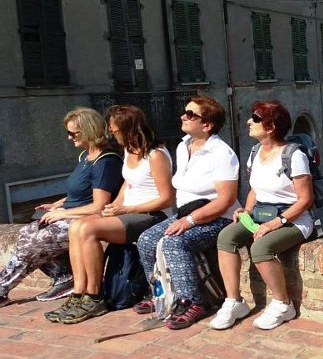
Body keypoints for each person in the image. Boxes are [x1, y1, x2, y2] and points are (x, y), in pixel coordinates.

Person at [47, 106, 174, 324]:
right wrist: (114, 206)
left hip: (153, 216)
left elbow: (167, 199)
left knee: (88, 229)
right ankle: (79, 293)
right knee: (77, 227)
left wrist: (126, 210)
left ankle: (95, 296)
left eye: (114, 130)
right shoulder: (129, 151)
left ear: (128, 129)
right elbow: (128, 184)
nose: (111, 133)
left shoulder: (155, 155)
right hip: (128, 213)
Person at [0, 108, 123, 309]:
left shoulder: (105, 162)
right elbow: (81, 192)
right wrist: (58, 204)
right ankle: (63, 276)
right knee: (25, 233)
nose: (69, 138)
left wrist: (63, 213)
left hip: (87, 219)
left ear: (89, 131)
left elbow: (99, 205)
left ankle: (1, 289)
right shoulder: (85, 156)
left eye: (73, 133)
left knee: (31, 243)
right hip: (70, 213)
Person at [135, 96, 239, 329]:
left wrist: (190, 221)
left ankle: (192, 301)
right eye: (185, 112)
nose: (183, 116)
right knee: (146, 240)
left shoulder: (221, 153)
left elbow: (226, 199)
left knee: (174, 243)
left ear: (207, 124)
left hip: (217, 217)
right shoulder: (183, 146)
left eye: (191, 114)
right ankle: (161, 295)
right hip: (186, 213)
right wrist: (186, 218)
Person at [210, 101, 315, 331]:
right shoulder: (255, 152)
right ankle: (234, 301)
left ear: (271, 127)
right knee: (226, 237)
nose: (249, 121)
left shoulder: (294, 156)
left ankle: (282, 304)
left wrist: (274, 224)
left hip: (292, 219)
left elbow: (305, 200)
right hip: (260, 215)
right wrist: (246, 211)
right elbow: (256, 189)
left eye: (255, 119)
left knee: (260, 248)